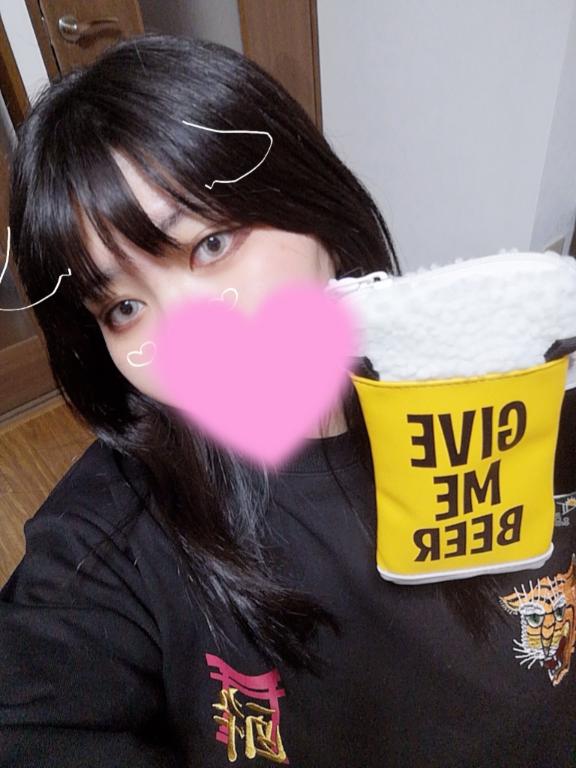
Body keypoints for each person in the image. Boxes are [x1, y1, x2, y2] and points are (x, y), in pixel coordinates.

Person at [0, 33, 575, 768]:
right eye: (123, 309)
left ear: (314, 210)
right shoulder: (110, 540)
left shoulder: (504, 385)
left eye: (211, 245)